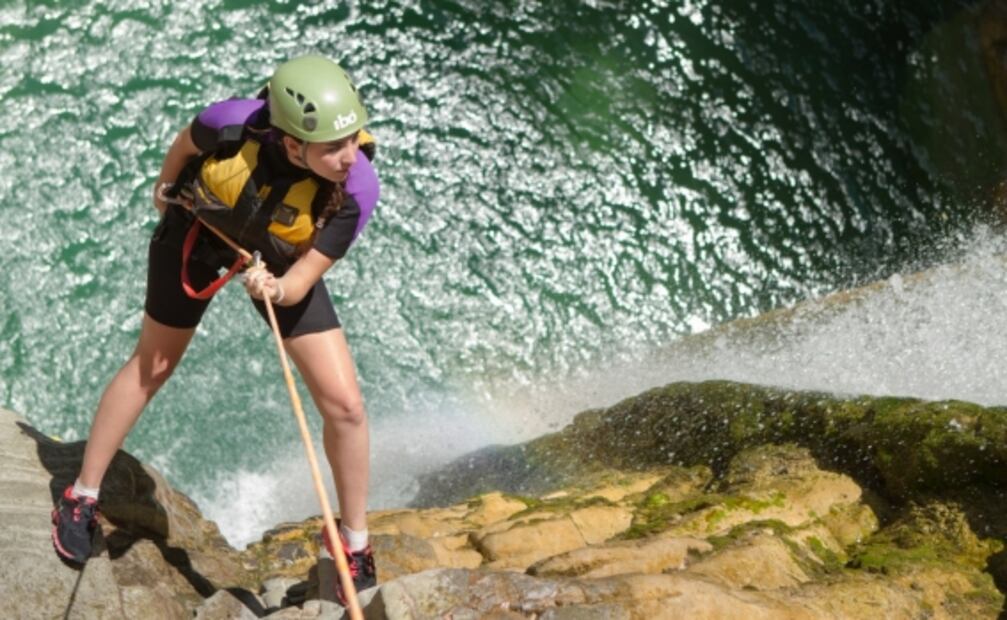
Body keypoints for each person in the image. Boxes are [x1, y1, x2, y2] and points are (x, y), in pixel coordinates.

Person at [51, 55, 379, 602]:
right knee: (152, 365)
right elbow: (186, 145)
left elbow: (304, 278)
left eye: (351, 138)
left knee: (346, 406)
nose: (349, 156)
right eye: (333, 146)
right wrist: (163, 190)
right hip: (198, 232)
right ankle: (82, 495)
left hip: (278, 259)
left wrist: (276, 289)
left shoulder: (357, 189)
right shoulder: (230, 123)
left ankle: (352, 541)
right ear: (292, 143)